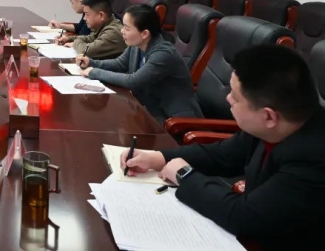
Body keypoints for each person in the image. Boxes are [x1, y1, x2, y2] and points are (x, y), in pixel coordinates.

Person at [121, 45, 325, 250]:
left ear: (269, 116)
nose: (228, 98)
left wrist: (184, 175)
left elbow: (243, 217)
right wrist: (158, 157)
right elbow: (222, 155)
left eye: (235, 97)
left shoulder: (313, 158)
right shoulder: (273, 125)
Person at [77, 4, 202, 122]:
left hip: (173, 119)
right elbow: (119, 64)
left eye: (127, 28)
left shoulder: (163, 54)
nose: (122, 31)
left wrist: (94, 72)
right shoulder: (137, 45)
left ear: (145, 34)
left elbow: (133, 81)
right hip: (148, 109)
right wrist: (91, 63)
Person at [61, 0, 125, 59]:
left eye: (87, 14)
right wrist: (69, 38)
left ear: (101, 15)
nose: (84, 18)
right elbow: (91, 38)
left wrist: (75, 43)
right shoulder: (104, 24)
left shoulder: (112, 32)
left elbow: (86, 51)